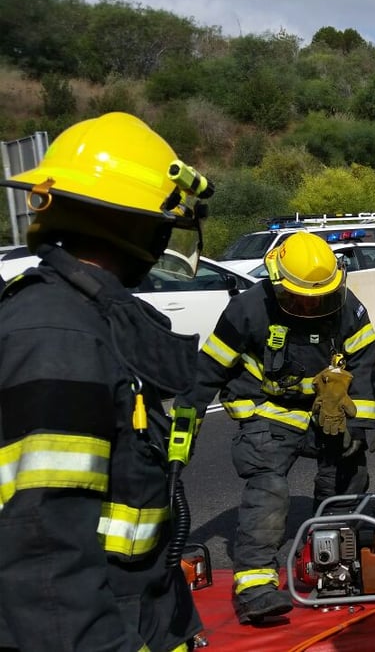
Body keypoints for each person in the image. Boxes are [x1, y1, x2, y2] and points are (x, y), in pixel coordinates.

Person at [0, 112, 208, 651]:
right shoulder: (58, 338)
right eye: (164, 228)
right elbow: (44, 558)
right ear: (136, 226)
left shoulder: (86, 320)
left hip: (140, 612)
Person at [174, 231, 375, 624]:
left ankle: (332, 560)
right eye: (301, 297)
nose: (310, 304)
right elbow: (208, 371)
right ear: (277, 283)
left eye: (319, 298)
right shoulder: (248, 310)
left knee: (348, 474)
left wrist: (360, 427)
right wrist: (184, 424)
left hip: (325, 415)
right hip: (267, 413)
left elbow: (366, 365)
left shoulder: (347, 309)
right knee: (269, 488)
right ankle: (255, 587)